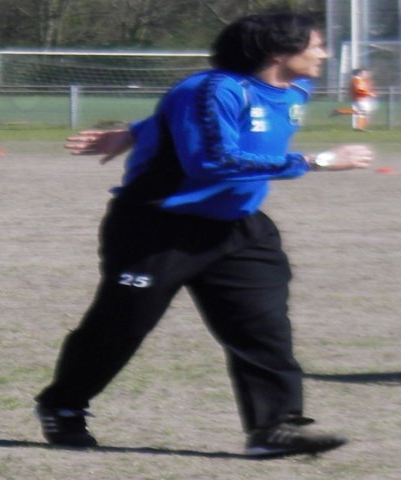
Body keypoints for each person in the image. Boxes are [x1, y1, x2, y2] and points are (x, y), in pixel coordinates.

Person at [35, 12, 374, 458]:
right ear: (278, 52)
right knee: (121, 326)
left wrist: (134, 132)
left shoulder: (295, 89)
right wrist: (319, 161)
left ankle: (274, 427)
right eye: (316, 45)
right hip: (158, 227)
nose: (324, 55)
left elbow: (184, 121)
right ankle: (62, 404)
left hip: (239, 227)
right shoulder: (212, 89)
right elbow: (214, 160)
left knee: (263, 328)